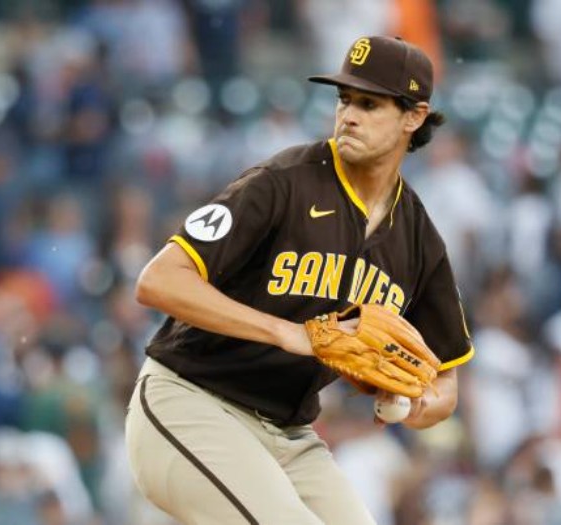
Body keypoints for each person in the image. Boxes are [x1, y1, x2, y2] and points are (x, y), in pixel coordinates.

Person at [127, 35, 475, 524]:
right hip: (192, 401)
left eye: (369, 104)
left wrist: (413, 399)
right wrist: (286, 333)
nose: (348, 115)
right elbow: (159, 281)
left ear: (413, 117)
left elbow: (445, 380)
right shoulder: (284, 182)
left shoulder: (418, 238)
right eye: (344, 99)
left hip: (290, 436)